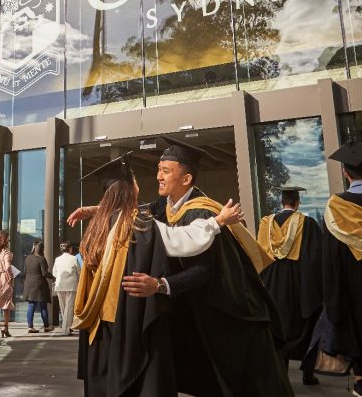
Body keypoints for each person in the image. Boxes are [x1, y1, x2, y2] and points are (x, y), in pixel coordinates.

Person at [70, 141, 292, 397]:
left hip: (221, 311)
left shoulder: (200, 211)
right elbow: (134, 211)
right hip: (185, 306)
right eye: (158, 169)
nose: (158, 176)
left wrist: (161, 285)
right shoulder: (164, 206)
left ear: (186, 178)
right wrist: (97, 210)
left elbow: (204, 270)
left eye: (165, 170)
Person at [321, 140, 362, 397]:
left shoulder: (335, 207)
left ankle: (360, 380)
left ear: (345, 173)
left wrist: (333, 292)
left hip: (350, 281)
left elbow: (330, 256)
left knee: (354, 323)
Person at [257, 186, 323, 386]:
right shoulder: (307, 223)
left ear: (282, 202)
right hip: (298, 283)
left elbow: (259, 255)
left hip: (272, 283)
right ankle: (307, 373)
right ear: (297, 203)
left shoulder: (265, 223)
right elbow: (315, 258)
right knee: (305, 325)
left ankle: (282, 374)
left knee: (278, 326)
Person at [22, 241, 55, 333]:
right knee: (43, 305)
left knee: (31, 305)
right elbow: (44, 273)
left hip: (29, 283)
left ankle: (30, 327)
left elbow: (25, 270)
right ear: (42, 249)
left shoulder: (27, 258)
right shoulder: (41, 259)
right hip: (39, 284)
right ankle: (46, 326)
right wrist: (53, 277)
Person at [52, 241, 79, 336]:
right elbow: (79, 272)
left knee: (63, 307)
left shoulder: (57, 259)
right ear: (70, 249)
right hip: (71, 286)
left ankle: (66, 326)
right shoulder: (74, 258)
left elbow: (54, 273)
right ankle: (66, 329)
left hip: (59, 285)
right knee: (69, 307)